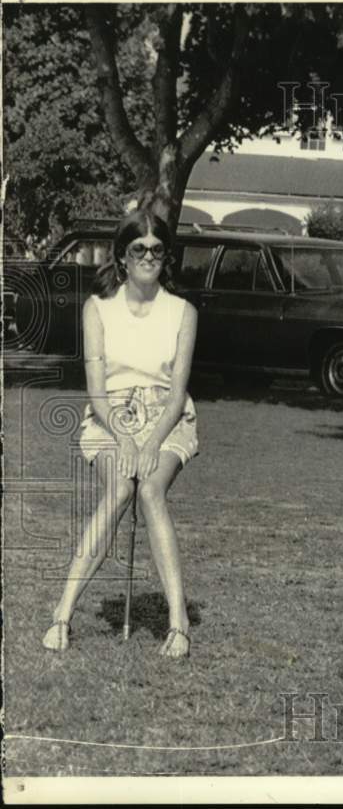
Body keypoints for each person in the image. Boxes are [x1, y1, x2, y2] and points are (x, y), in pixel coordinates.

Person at [42, 210, 199, 659]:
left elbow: (177, 394)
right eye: (138, 249)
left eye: (156, 250)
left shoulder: (183, 313)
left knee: (150, 490)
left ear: (166, 257)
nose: (148, 257)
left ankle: (178, 624)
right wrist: (127, 439)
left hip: (167, 419)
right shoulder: (98, 309)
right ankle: (62, 616)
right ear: (122, 257)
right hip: (110, 417)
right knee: (118, 491)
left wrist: (150, 444)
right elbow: (96, 391)